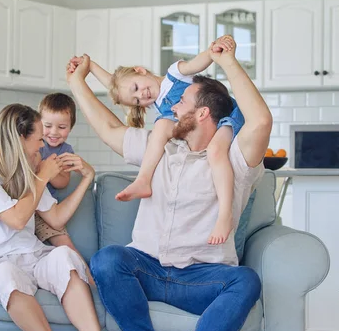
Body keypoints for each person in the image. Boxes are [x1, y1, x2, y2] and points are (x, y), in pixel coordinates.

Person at [65, 36, 273, 331]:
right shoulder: (160, 145)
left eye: (181, 101)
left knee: (246, 281)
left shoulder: (235, 159)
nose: (171, 106)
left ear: (202, 113)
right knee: (107, 259)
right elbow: (109, 128)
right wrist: (77, 82)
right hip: (147, 267)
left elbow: (261, 121)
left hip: (201, 277)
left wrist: (228, 62)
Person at [70, 35, 241, 245]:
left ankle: (225, 216)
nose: (141, 96)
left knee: (216, 151)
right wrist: (89, 68)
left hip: (227, 114)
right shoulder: (162, 107)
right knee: (161, 126)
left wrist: (212, 51)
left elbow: (197, 62)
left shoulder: (174, 75)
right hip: (204, 122)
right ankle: (143, 179)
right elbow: (118, 85)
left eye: (137, 89)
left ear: (141, 70)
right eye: (136, 101)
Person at [0, 103, 102, 331]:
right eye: (39, 138)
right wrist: (43, 176)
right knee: (6, 274)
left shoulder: (27, 168)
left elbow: (55, 219)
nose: (43, 145)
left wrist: (87, 179)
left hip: (33, 257)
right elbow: (16, 219)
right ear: (20, 138)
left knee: (65, 256)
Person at [35, 92, 94, 284]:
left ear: (70, 127)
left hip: (46, 211)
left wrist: (49, 171)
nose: (53, 132)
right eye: (47, 126)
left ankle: (92, 283)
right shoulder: (33, 144)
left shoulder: (66, 151)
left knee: (66, 245)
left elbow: (62, 182)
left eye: (62, 127)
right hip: (29, 205)